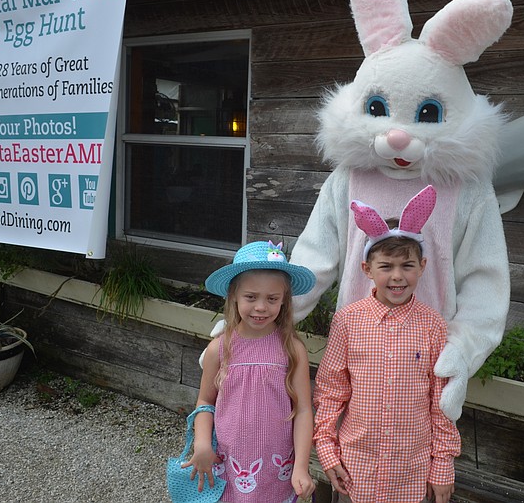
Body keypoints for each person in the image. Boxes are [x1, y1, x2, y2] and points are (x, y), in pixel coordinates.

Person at [313, 186, 461, 503]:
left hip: (412, 471)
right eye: (386, 266)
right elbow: (330, 390)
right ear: (367, 269)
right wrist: (327, 450)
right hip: (357, 467)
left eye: (407, 265)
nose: (397, 276)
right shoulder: (347, 321)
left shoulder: (434, 325)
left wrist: (443, 465)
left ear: (422, 266)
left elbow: (442, 401)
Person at [184, 240, 317, 502]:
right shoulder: (218, 350)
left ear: (284, 300)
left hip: (277, 469)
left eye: (272, 299)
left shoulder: (292, 349)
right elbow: (205, 402)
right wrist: (201, 443)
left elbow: (303, 409)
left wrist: (301, 465)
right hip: (231, 464)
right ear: (233, 295)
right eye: (251, 297)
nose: (261, 307)